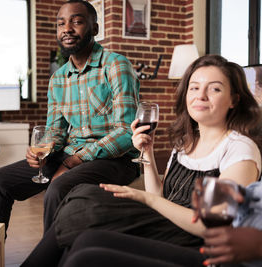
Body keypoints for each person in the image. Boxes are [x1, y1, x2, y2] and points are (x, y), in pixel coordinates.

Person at [21, 54, 262, 266]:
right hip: (164, 224)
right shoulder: (186, 142)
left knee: (85, 204)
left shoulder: (239, 149)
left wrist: (143, 198)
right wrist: (146, 151)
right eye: (194, 87)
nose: (201, 95)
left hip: (193, 241)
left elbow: (210, 227)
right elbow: (161, 197)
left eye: (215, 89)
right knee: (80, 207)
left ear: (235, 99)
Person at [0, 0, 140, 232]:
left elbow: (127, 130)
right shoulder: (58, 79)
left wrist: (76, 160)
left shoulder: (115, 65)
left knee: (58, 188)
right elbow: (55, 129)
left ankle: (52, 259)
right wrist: (43, 150)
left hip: (115, 160)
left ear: (94, 29)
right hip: (68, 155)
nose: (67, 28)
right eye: (61, 23)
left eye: (76, 21)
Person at [61, 179, 262, 267]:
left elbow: (156, 198)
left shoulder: (241, 148)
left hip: (231, 258)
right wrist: (233, 193)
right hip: (220, 254)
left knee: (87, 258)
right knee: (88, 237)